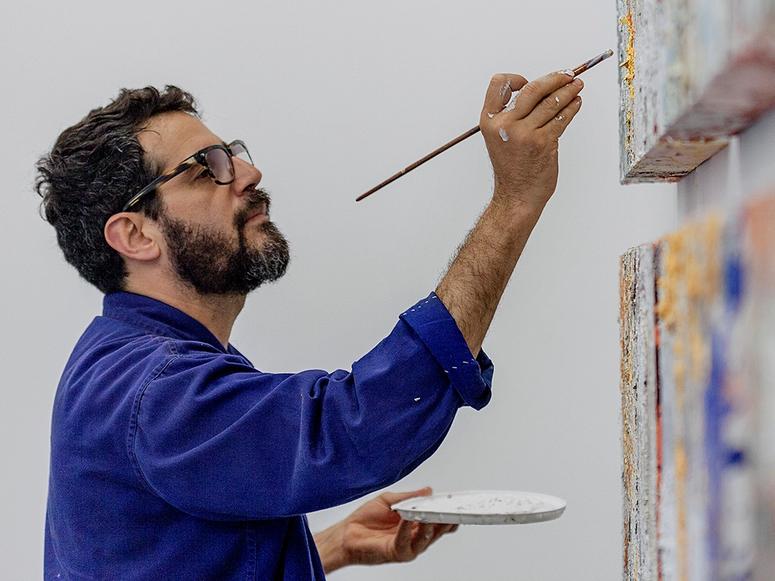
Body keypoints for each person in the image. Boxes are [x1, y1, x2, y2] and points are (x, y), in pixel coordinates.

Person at [36, 69, 583, 579]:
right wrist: (515, 201)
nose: (249, 174)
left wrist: (329, 546)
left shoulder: (124, 367)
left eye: (234, 155)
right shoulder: (155, 392)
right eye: (207, 166)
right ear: (135, 235)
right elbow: (353, 426)